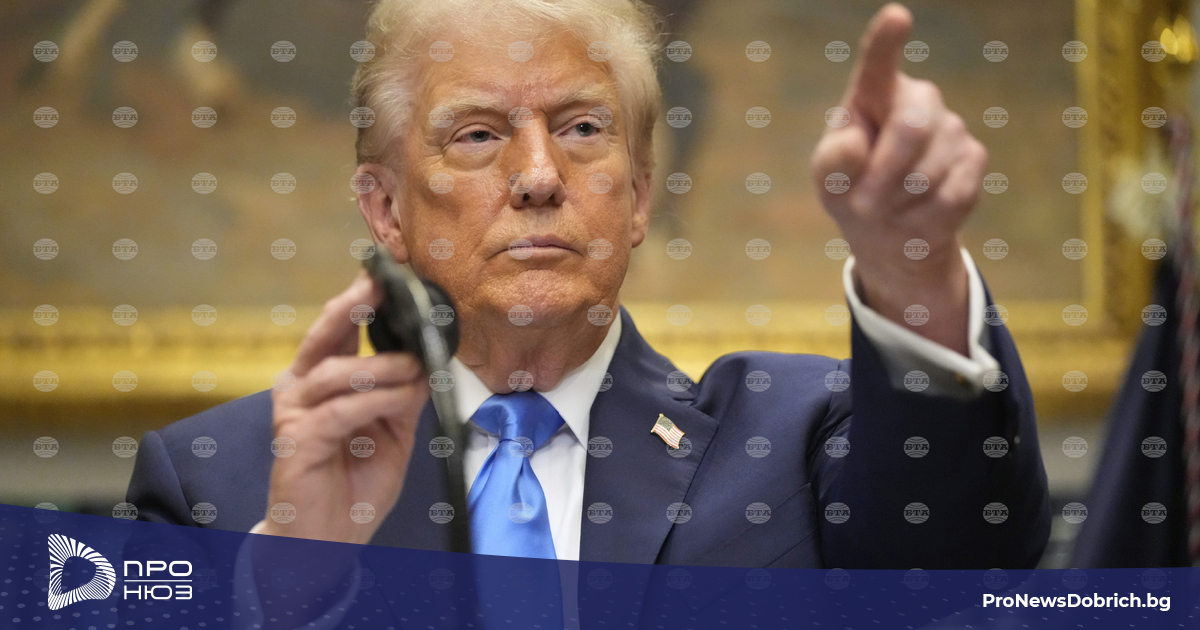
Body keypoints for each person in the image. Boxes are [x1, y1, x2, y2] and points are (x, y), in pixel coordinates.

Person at [127, 0, 1050, 575]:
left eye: (581, 129)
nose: (539, 175)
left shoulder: (794, 442)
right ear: (385, 209)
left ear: (639, 196)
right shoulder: (217, 484)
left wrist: (913, 270)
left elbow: (963, 551)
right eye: (478, 135)